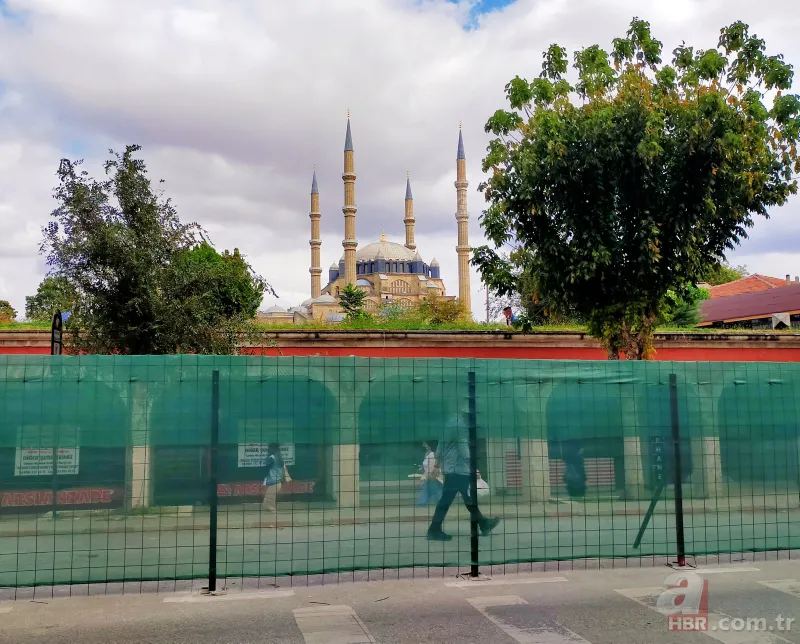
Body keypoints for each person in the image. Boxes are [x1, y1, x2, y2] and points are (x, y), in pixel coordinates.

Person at [427, 434, 501, 541]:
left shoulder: (446, 428)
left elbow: (439, 450)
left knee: (466, 498)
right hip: (459, 471)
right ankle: (434, 530)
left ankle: (483, 523)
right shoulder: (459, 427)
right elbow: (465, 453)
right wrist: (473, 468)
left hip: (450, 470)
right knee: (447, 500)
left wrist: (437, 466)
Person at [263, 443, 291, 513]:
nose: (267, 450)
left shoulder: (271, 458)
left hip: (273, 484)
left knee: (266, 504)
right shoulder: (279, 458)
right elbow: (284, 469)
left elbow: (266, 469)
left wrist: (264, 482)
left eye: (268, 448)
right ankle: (273, 519)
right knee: (271, 504)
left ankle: (275, 517)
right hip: (277, 484)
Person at [417, 440, 443, 506]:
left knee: (435, 491)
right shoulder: (429, 454)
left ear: (430, 446)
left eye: (425, 444)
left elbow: (434, 467)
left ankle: (422, 504)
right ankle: (422, 504)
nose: (423, 446)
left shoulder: (433, 454)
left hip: (433, 476)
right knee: (429, 491)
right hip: (430, 476)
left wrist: (428, 476)